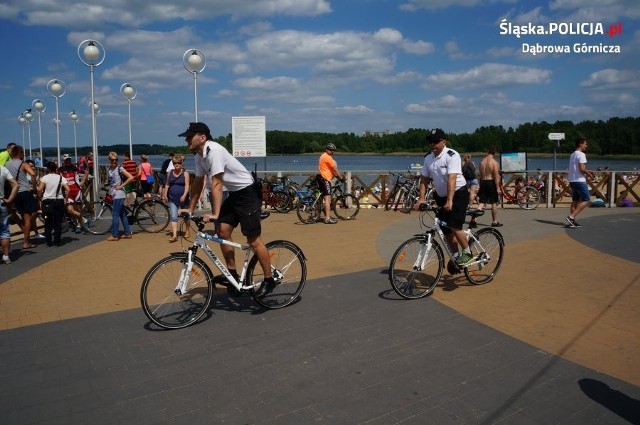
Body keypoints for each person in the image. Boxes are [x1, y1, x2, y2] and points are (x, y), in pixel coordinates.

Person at [177, 122, 276, 297]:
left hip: (248, 193)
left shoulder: (214, 150)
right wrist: (190, 209)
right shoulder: (199, 156)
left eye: (189, 136)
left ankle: (269, 279)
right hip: (235, 195)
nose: (186, 140)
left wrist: (215, 213)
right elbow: (198, 183)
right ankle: (233, 275)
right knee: (222, 231)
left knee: (253, 240)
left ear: (202, 137)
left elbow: (216, 182)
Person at [416, 128, 474, 267]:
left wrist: (450, 201)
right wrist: (421, 198)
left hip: (458, 194)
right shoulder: (428, 158)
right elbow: (424, 179)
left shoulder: (452, 155)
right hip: (441, 196)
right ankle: (455, 256)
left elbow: (452, 179)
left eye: (435, 141)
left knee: (454, 224)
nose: (432, 144)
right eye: (430, 141)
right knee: (445, 228)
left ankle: (467, 253)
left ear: (443, 142)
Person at [4, 144, 43, 248]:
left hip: (14, 193)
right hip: (25, 191)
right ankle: (26, 242)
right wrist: (34, 187)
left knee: (22, 216)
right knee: (28, 217)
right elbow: (33, 174)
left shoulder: (6, 164)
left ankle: (26, 237)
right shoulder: (23, 163)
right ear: (20, 154)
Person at [37, 161, 71, 247]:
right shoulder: (60, 178)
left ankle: (49, 241)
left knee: (48, 222)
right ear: (56, 168)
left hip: (47, 202)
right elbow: (68, 189)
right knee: (58, 222)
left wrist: (40, 199)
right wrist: (65, 199)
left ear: (47, 169)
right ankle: (57, 241)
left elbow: (39, 190)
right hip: (58, 201)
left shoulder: (44, 178)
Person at [106, 152, 135, 241]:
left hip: (119, 194)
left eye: (116, 159)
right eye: (112, 160)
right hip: (113, 193)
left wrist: (121, 186)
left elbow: (131, 177)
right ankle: (127, 232)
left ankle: (115, 235)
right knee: (122, 214)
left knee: (115, 214)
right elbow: (111, 181)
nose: (114, 161)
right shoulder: (109, 169)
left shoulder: (120, 168)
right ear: (109, 160)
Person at [566, 138, 595, 228]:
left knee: (575, 201)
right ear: (580, 144)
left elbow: (576, 168)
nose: (586, 146)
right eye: (585, 144)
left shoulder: (572, 154)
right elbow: (581, 169)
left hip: (572, 180)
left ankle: (572, 221)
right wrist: (589, 174)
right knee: (587, 201)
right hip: (579, 181)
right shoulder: (581, 154)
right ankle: (571, 217)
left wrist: (587, 170)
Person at [162, 154, 190, 242]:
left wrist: (184, 195)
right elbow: (167, 184)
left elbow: (187, 186)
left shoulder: (185, 173)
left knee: (185, 216)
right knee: (174, 216)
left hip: (183, 198)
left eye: (178, 163)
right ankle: (174, 235)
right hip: (172, 198)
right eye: (175, 163)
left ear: (181, 163)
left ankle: (187, 230)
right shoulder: (170, 173)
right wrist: (165, 194)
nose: (176, 164)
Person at [58, 154, 88, 233]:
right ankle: (84, 220)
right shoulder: (60, 170)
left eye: (69, 160)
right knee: (70, 210)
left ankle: (78, 225)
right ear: (63, 161)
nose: (68, 161)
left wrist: (82, 182)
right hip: (68, 193)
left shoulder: (75, 168)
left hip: (77, 191)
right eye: (66, 160)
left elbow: (86, 172)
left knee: (78, 209)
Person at [474, 146, 503, 228]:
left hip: (483, 182)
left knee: (482, 202)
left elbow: (480, 175)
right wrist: (498, 188)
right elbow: (496, 176)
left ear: (488, 151)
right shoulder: (494, 162)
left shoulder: (482, 161)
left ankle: (474, 219)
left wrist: (480, 185)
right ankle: (494, 221)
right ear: (495, 152)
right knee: (494, 202)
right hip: (491, 182)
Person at [317, 143, 341, 224]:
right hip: (325, 179)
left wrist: (334, 174)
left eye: (333, 151)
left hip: (320, 177)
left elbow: (327, 168)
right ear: (327, 149)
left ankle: (318, 214)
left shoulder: (322, 155)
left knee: (321, 196)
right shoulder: (328, 157)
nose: (333, 152)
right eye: (331, 150)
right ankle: (327, 218)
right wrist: (340, 177)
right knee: (327, 199)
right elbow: (335, 168)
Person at [1, 164, 19, 264]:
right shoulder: (2, 169)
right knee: (4, 231)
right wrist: (10, 199)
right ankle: (6, 256)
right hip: (1, 201)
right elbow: (16, 185)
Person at [462, 154, 478, 226]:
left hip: (466, 180)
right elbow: (475, 170)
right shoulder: (473, 163)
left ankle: (465, 203)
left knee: (464, 192)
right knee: (472, 193)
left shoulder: (463, 163)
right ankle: (470, 205)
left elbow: (461, 172)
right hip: (474, 179)